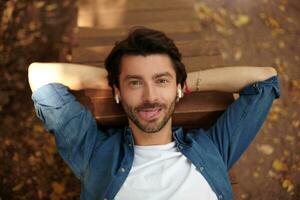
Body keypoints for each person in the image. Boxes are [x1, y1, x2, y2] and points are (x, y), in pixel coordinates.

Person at [28, 27, 280, 200]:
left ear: (178, 88)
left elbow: (265, 80)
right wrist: (118, 83)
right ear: (117, 91)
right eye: (136, 83)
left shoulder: (213, 148)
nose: (150, 97)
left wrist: (181, 83)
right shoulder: (94, 154)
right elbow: (40, 76)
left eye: (161, 81)